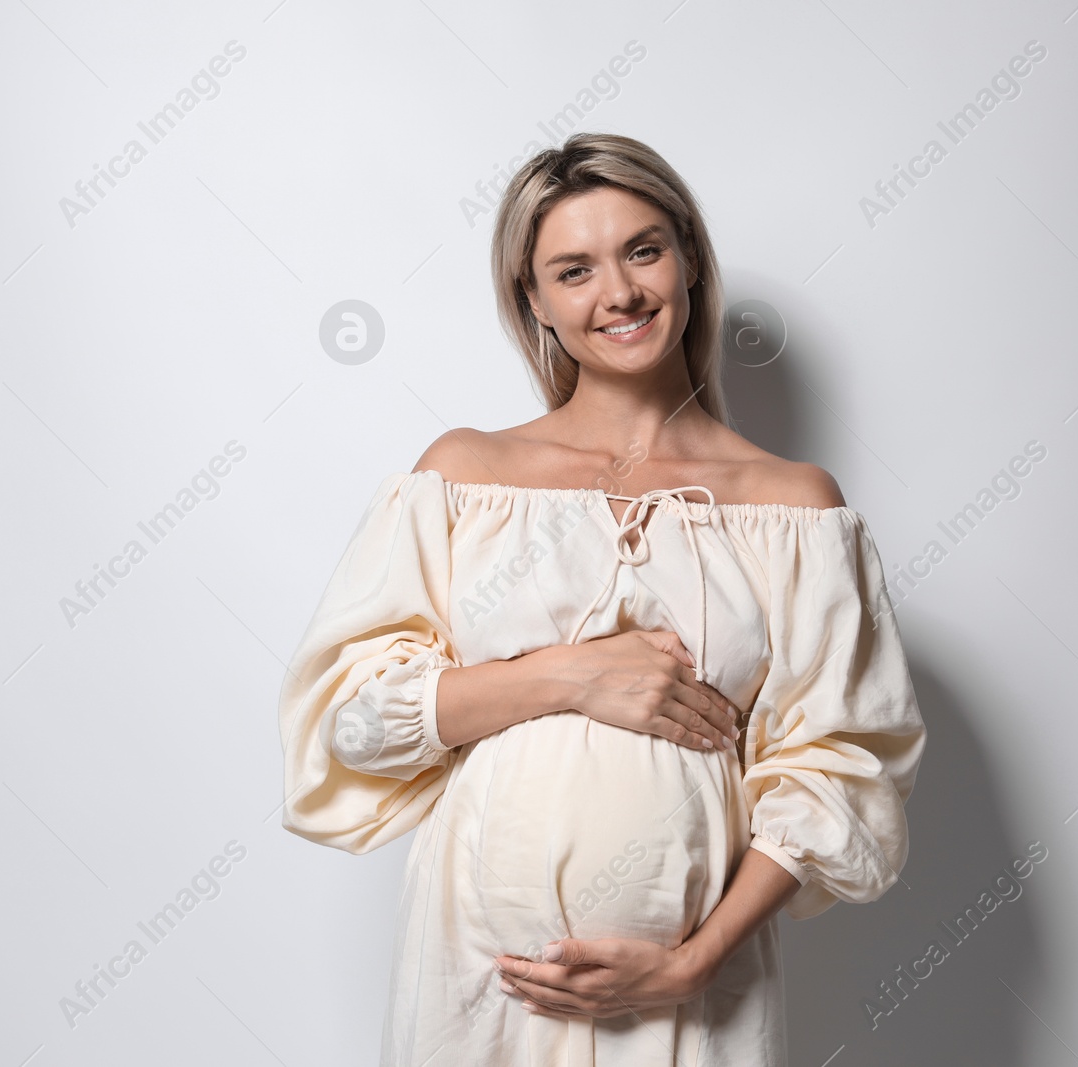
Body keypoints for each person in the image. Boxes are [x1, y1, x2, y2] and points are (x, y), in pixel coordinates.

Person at [278, 132, 927, 1066]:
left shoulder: (795, 508)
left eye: (644, 250)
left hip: (691, 994)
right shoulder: (464, 476)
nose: (617, 293)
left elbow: (840, 762)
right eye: (572, 269)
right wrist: (568, 676)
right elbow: (353, 724)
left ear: (692, 261)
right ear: (532, 300)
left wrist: (693, 962)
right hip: (479, 979)